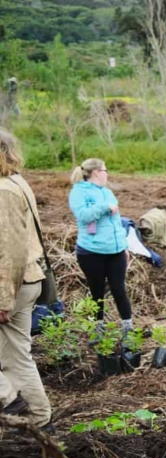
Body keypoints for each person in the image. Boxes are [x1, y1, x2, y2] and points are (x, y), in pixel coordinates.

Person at [0, 128, 51, 428]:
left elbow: (11, 252)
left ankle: (9, 399)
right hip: (26, 281)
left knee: (16, 357)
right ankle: (41, 422)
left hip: (13, 286)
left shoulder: (4, 191)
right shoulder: (16, 181)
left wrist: (3, 299)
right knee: (18, 358)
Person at [69, 158, 133, 332]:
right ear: (96, 173)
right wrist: (104, 207)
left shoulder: (107, 192)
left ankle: (128, 328)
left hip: (116, 250)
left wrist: (124, 246)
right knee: (97, 291)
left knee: (119, 289)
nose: (107, 174)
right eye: (105, 170)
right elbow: (84, 216)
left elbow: (117, 223)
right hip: (91, 251)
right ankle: (99, 328)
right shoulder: (78, 192)